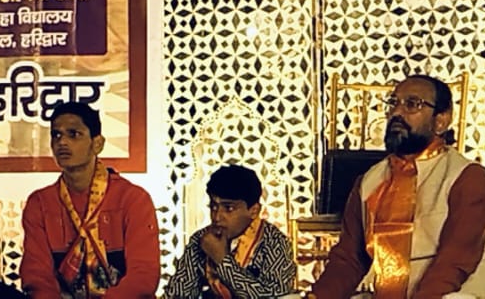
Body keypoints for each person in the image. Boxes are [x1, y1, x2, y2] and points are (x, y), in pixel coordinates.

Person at [309, 75, 485, 299]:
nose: (397, 113)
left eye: (412, 104)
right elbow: (349, 259)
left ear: (441, 120)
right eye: (393, 103)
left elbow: (455, 260)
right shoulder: (368, 181)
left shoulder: (466, 176)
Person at [20, 101, 159, 299]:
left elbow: (143, 277)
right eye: (56, 135)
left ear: (97, 144)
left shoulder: (132, 199)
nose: (62, 142)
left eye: (73, 134)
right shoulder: (40, 204)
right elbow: (37, 277)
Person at [164, 165, 295, 299]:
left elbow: (273, 296)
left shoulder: (275, 242)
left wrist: (222, 260)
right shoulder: (201, 239)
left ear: (253, 211)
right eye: (214, 206)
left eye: (229, 208)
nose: (217, 217)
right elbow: (176, 295)